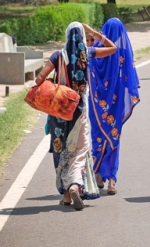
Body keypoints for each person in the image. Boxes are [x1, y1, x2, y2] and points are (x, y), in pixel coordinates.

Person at [34, 22, 117, 210]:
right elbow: (113, 48)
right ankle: (74, 184)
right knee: (80, 150)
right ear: (81, 36)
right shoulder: (87, 53)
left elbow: (39, 79)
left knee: (61, 149)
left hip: (59, 113)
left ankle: (66, 195)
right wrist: (95, 33)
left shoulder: (57, 56)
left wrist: (51, 84)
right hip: (80, 111)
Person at [88, 18, 140, 196]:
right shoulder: (123, 51)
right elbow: (132, 79)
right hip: (116, 102)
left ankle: (97, 174)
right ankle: (112, 181)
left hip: (96, 102)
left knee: (98, 136)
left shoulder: (96, 49)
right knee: (114, 137)